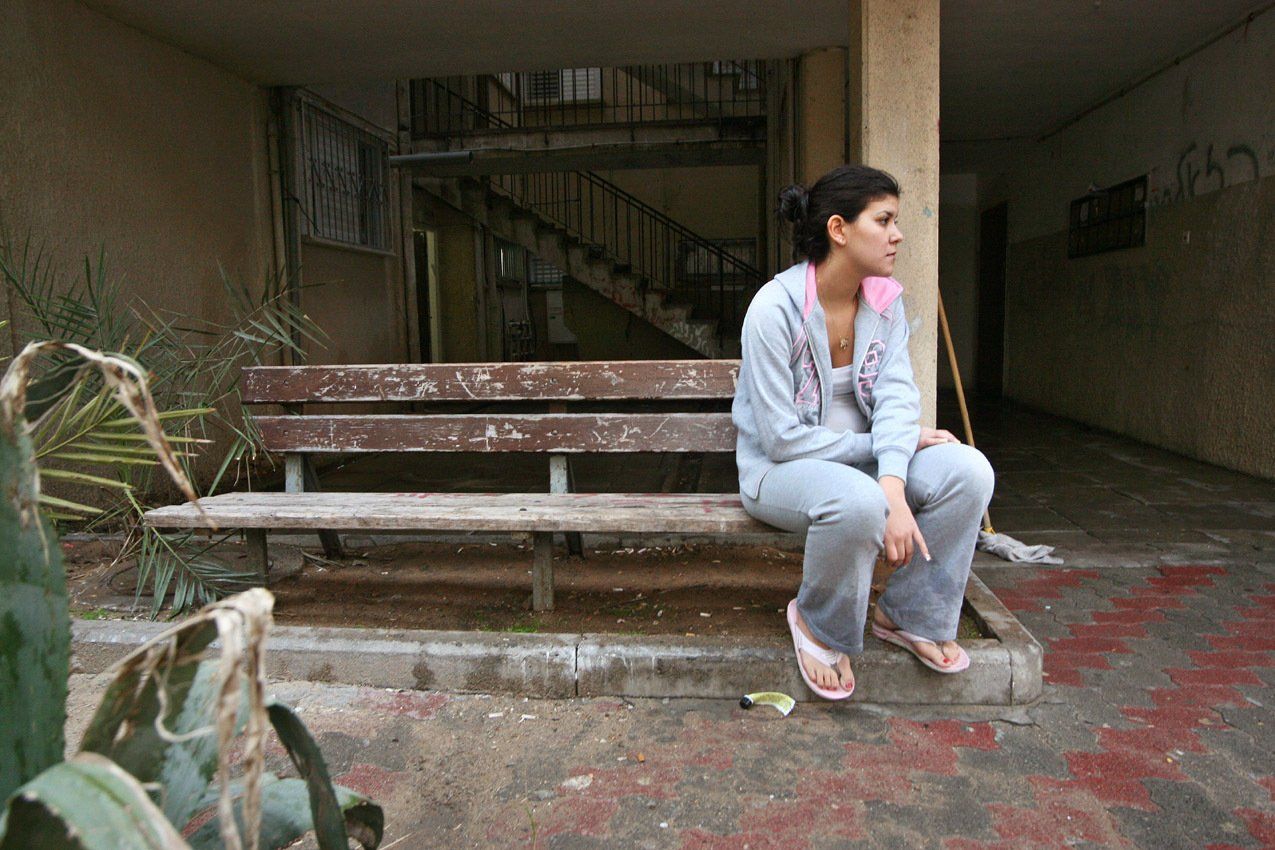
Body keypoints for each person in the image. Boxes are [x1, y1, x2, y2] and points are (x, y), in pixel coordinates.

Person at [732, 164, 995, 700]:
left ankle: (910, 615)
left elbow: (897, 398)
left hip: (868, 467)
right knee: (859, 501)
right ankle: (817, 624)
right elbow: (781, 438)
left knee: (968, 471)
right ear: (839, 229)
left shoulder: (884, 301)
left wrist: (892, 480)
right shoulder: (774, 310)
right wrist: (883, 452)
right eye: (884, 220)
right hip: (779, 471)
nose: (897, 234)